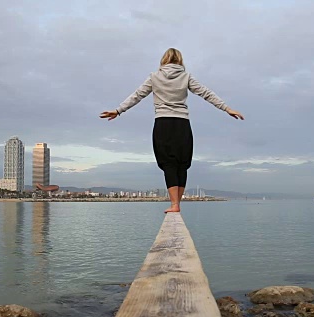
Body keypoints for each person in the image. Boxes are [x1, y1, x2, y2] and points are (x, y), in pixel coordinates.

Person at [100, 48, 244, 213]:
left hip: (163, 123)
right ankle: (177, 205)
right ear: (180, 61)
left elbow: (137, 95)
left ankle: (174, 204)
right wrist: (227, 108)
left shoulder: (154, 77)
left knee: (168, 164)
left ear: (163, 60)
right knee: (182, 164)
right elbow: (207, 94)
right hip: (182, 123)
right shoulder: (186, 76)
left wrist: (118, 110)